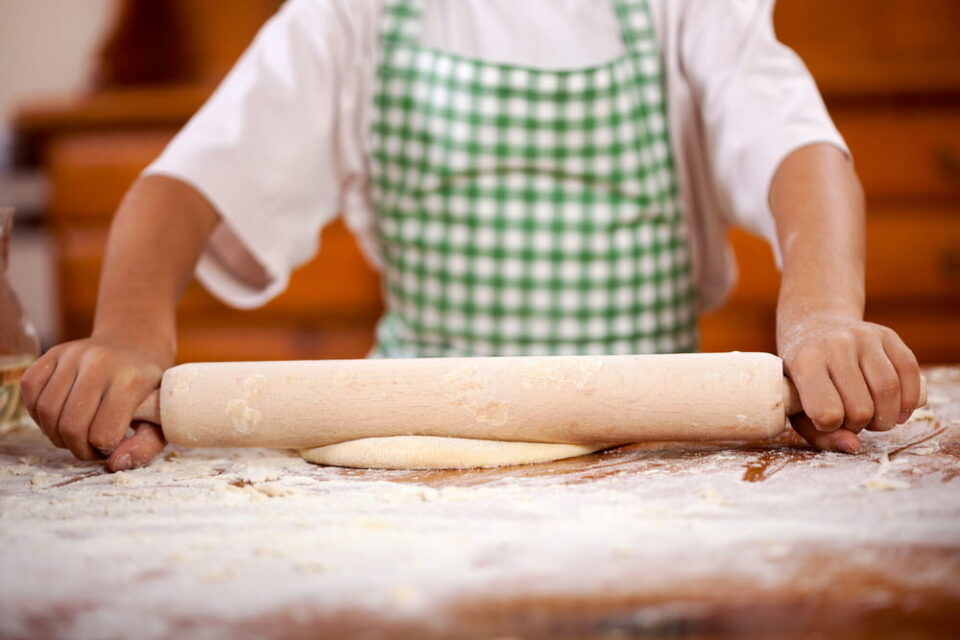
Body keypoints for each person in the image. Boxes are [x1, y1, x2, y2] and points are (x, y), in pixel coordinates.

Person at [21, 0, 922, 471]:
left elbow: (799, 147)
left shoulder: (684, 8)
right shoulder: (353, 14)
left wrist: (821, 318)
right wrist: (129, 337)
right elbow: (187, 180)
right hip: (413, 450)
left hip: (650, 447)